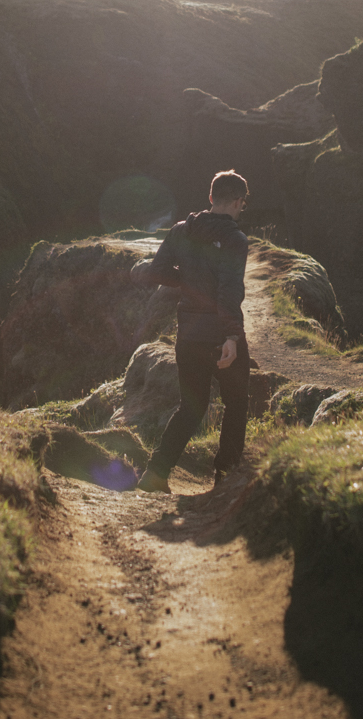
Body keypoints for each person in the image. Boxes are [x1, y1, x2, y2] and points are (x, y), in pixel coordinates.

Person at [129, 169, 251, 493]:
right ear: (238, 202)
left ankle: (155, 474)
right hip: (219, 335)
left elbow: (157, 271)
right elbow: (229, 290)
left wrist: (185, 280)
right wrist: (232, 337)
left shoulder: (181, 230)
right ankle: (226, 477)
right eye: (242, 204)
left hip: (189, 333)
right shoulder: (235, 240)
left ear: (211, 198)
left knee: (191, 407)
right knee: (237, 402)